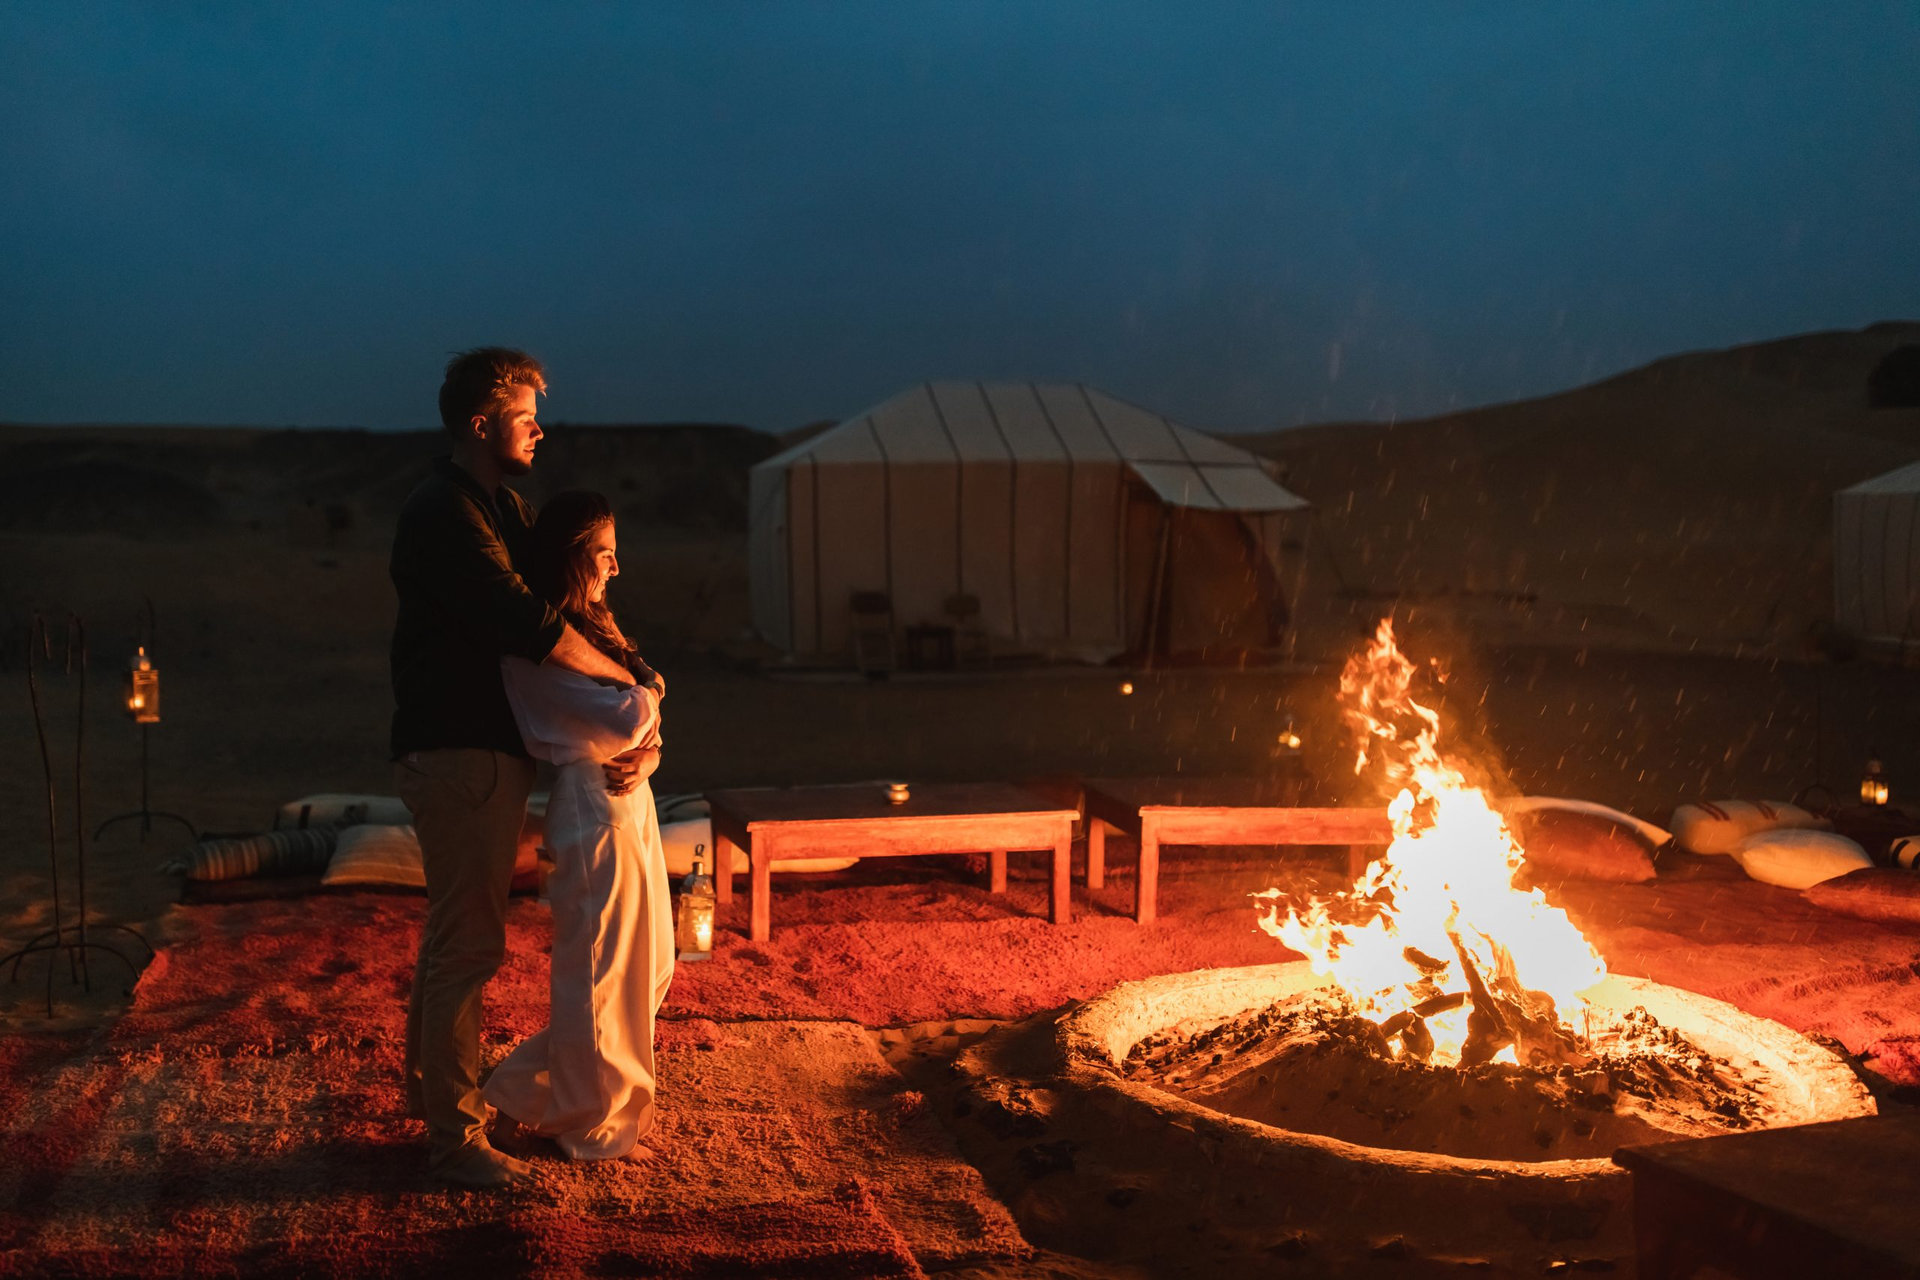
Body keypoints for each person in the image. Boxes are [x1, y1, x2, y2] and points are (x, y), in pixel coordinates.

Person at [390, 347, 649, 1189]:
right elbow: (526, 620)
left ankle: (431, 1097)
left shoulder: (497, 505)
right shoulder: (447, 511)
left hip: (481, 749)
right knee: (468, 946)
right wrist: (631, 683)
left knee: (453, 940)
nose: (541, 428)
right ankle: (455, 1141)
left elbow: (558, 603)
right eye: (526, 414)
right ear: (479, 424)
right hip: (459, 749)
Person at [483, 491, 674, 1161]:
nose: (616, 568)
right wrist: (647, 694)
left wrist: (647, 732)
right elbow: (625, 718)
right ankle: (591, 1126)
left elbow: (636, 722)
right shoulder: (536, 649)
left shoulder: (596, 632)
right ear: (569, 560)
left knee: (650, 968)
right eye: (604, 554)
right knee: (602, 974)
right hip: (592, 805)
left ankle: (514, 1095)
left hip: (630, 798)